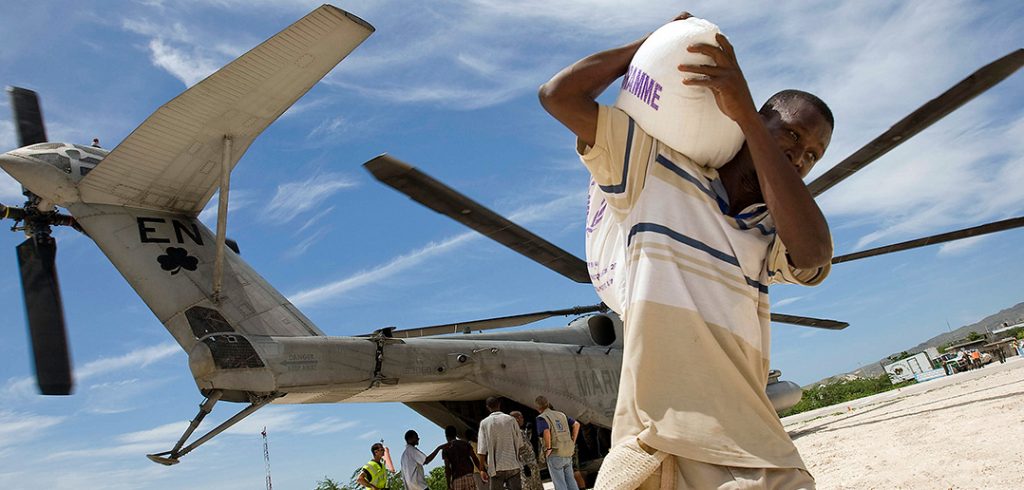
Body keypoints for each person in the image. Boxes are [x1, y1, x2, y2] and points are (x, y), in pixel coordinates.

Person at [539, 11, 834, 490]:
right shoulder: (649, 169)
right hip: (658, 444)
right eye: (793, 135)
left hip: (753, 444)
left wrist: (749, 123)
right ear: (755, 115)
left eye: (812, 156)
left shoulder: (770, 234)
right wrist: (648, 44)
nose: (800, 157)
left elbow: (814, 252)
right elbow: (559, 96)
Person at [477, 396, 524, 490]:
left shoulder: (485, 423)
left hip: (496, 467)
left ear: (488, 407)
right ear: (499, 405)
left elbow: (482, 449)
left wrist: (482, 469)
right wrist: (517, 459)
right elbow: (519, 443)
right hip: (512, 464)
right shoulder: (511, 420)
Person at [534, 396, 581, 490]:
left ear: (537, 407)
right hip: (568, 451)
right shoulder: (561, 414)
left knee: (560, 483)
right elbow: (576, 424)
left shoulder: (542, 418)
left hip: (555, 453)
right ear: (547, 403)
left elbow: (546, 431)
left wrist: (549, 448)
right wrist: (573, 441)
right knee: (571, 479)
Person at [509, 411, 543, 490]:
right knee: (529, 486)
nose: (523, 420)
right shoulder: (515, 433)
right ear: (516, 419)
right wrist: (525, 465)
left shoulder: (519, 431)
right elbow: (519, 449)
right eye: (521, 417)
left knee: (536, 485)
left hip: (531, 465)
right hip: (526, 465)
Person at [442, 425, 483, 490]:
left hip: (457, 478)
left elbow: (447, 468)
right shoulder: (465, 444)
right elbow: (475, 459)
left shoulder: (446, 448)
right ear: (456, 434)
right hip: (469, 475)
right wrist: (482, 471)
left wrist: (448, 485)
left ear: (446, 436)